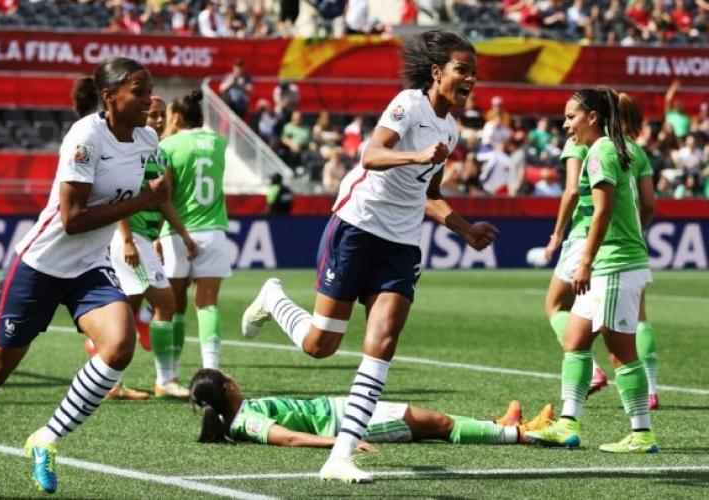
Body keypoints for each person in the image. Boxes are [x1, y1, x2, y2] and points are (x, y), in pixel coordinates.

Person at [240, 30, 497, 483]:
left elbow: (429, 194)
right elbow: (371, 154)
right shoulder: (408, 105)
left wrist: (464, 228)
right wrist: (416, 154)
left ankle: (340, 455)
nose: (471, 78)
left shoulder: (452, 130)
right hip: (357, 226)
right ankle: (273, 297)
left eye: (474, 72)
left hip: (401, 242)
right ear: (437, 73)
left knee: (383, 341)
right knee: (320, 345)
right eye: (463, 69)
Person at [0, 57, 171, 499]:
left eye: (149, 89)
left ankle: (46, 438)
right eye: (139, 91)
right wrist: (144, 202)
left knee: (120, 346)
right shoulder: (85, 137)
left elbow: (149, 194)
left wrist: (166, 221)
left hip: (89, 268)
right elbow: (73, 219)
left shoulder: (148, 140)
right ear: (109, 98)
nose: (149, 99)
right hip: (40, 265)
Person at [525, 88, 658, 453]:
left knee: (620, 352)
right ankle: (567, 425)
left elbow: (601, 212)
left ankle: (642, 433)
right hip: (606, 264)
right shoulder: (608, 148)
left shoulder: (600, 151)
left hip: (614, 264)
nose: (566, 124)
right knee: (574, 339)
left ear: (593, 117)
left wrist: (583, 262)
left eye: (571, 116)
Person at [189, 369, 554, 448]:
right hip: (349, 421)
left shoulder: (236, 414)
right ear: (227, 387)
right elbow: (289, 439)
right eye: (228, 375)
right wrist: (343, 442)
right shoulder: (245, 421)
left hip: (343, 410)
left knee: (433, 419)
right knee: (440, 423)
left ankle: (498, 425)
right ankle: (524, 435)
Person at [105, 94, 198, 400]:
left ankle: (109, 383)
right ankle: (165, 379)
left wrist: (181, 234)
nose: (157, 121)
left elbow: (164, 201)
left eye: (161, 115)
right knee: (167, 303)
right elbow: (117, 197)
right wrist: (129, 240)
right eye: (151, 115)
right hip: (129, 238)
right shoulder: (131, 152)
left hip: (144, 238)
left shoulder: (159, 154)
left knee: (127, 313)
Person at [159, 90, 230, 372]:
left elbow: (165, 195)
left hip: (177, 231)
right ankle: (210, 369)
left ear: (176, 117)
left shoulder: (169, 145)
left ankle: (169, 373)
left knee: (172, 307)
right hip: (213, 231)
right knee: (208, 304)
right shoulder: (219, 143)